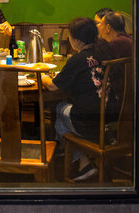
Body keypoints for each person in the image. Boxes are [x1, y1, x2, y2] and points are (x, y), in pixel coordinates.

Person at [41, 17, 121, 182]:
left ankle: (77, 158)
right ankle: (88, 153)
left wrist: (42, 76)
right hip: (113, 115)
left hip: (89, 121)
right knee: (67, 110)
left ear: (76, 40)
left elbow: (53, 87)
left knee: (60, 110)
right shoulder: (105, 52)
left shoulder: (77, 60)